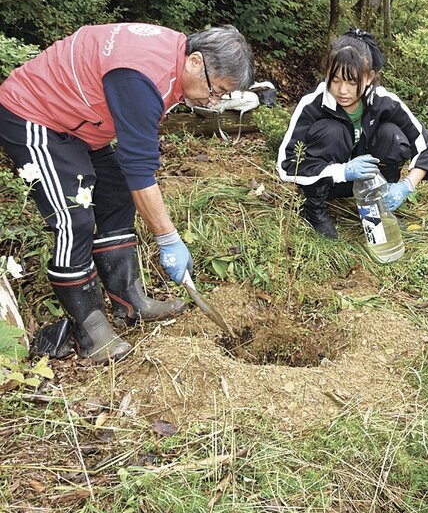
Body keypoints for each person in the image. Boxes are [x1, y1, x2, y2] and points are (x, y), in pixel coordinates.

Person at [0, 23, 255, 363]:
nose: (212, 101)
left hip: (80, 124)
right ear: (196, 61)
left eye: (222, 97)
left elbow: (133, 165)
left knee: (116, 191)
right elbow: (140, 171)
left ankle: (129, 300)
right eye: (216, 90)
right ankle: (91, 331)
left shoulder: (173, 59)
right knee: (72, 217)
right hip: (35, 115)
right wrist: (167, 238)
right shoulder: (141, 77)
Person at [276, 28, 428, 239]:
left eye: (352, 82)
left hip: (370, 183)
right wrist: (342, 171)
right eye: (335, 80)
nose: (343, 90)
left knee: (391, 133)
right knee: (332, 131)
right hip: (328, 181)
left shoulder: (383, 101)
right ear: (327, 73)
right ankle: (314, 211)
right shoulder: (312, 104)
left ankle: (379, 207)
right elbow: (286, 165)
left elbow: (425, 146)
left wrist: (406, 186)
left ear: (369, 77)